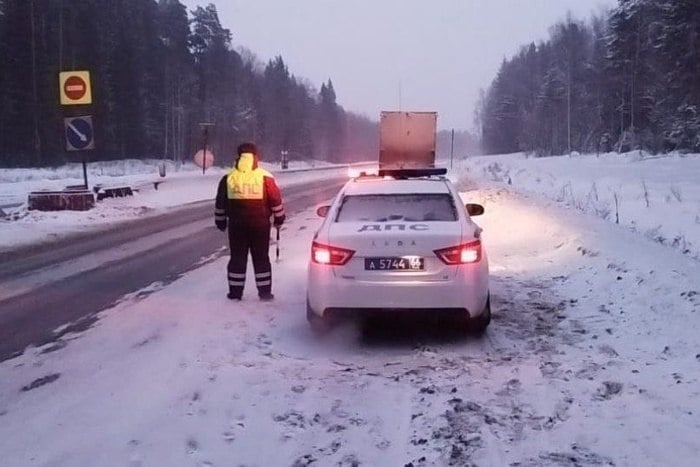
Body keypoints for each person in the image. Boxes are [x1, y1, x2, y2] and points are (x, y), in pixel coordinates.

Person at [215, 142, 285, 301]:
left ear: (238, 156)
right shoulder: (265, 177)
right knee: (261, 258)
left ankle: (235, 293)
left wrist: (221, 221)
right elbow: (275, 200)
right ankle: (265, 293)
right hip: (260, 226)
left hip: (236, 226)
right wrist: (279, 218)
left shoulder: (229, 177)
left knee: (237, 258)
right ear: (256, 157)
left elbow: (220, 203)